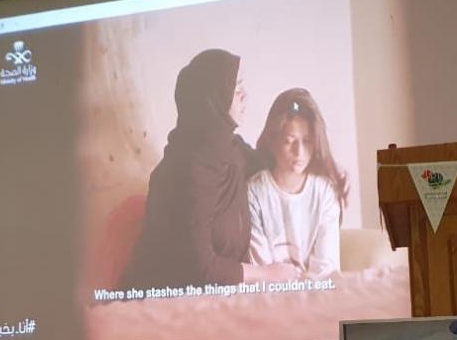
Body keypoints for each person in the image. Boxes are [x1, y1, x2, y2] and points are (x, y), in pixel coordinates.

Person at [121, 49, 263, 289]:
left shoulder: (232, 150)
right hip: (160, 297)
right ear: (213, 100)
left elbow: (275, 162)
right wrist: (268, 274)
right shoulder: (184, 171)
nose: (245, 95)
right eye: (236, 87)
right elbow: (201, 269)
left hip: (216, 298)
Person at [247, 88, 342, 277]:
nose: (299, 152)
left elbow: (326, 268)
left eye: (307, 141)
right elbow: (262, 271)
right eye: (289, 141)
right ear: (273, 142)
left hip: (318, 291)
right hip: (270, 291)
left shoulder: (324, 191)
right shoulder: (255, 192)